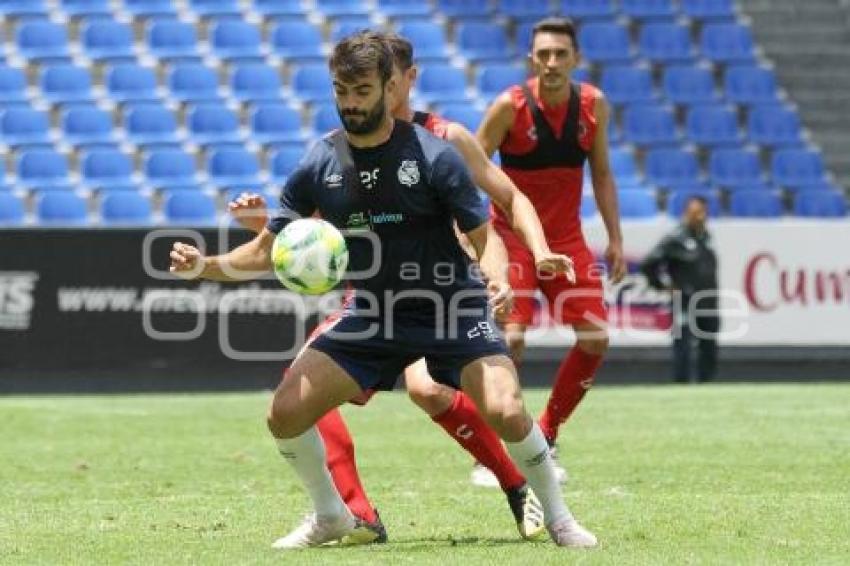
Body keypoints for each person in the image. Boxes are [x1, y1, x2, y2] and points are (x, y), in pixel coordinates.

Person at [170, 32, 597, 549]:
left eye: (361, 91)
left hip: (451, 306)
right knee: (284, 412)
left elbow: (487, 238)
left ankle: (557, 516)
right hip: (373, 312)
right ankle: (332, 514)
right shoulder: (319, 162)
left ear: (391, 85)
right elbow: (265, 250)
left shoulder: (437, 155)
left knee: (506, 409)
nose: (350, 103)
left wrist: (499, 275)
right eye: (340, 91)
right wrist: (205, 266)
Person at [475, 17, 626, 471]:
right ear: (531, 60)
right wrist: (470, 234)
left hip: (567, 242)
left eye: (561, 54)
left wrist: (615, 238)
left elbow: (600, 172)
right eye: (544, 54)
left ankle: (546, 433)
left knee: (596, 338)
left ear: (576, 59)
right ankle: (499, 449)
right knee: (512, 338)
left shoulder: (594, 106)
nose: (552, 62)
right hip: (512, 240)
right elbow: (468, 169)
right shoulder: (509, 107)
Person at [640, 195, 720, 383]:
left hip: (707, 299)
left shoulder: (707, 237)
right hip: (683, 300)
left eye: (701, 213)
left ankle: (707, 383)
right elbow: (649, 263)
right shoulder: (675, 238)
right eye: (694, 213)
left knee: (709, 344)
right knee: (682, 343)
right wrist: (662, 286)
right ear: (686, 214)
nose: (698, 217)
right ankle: (681, 382)